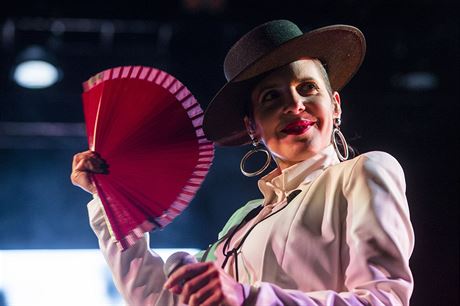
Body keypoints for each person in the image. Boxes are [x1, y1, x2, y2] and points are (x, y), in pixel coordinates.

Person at [71, 20, 414, 305]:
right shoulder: (243, 221)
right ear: (252, 126)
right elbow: (159, 299)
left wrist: (248, 298)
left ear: (335, 105)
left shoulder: (364, 172)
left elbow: (384, 299)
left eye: (307, 87)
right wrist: (107, 198)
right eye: (271, 97)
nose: (294, 104)